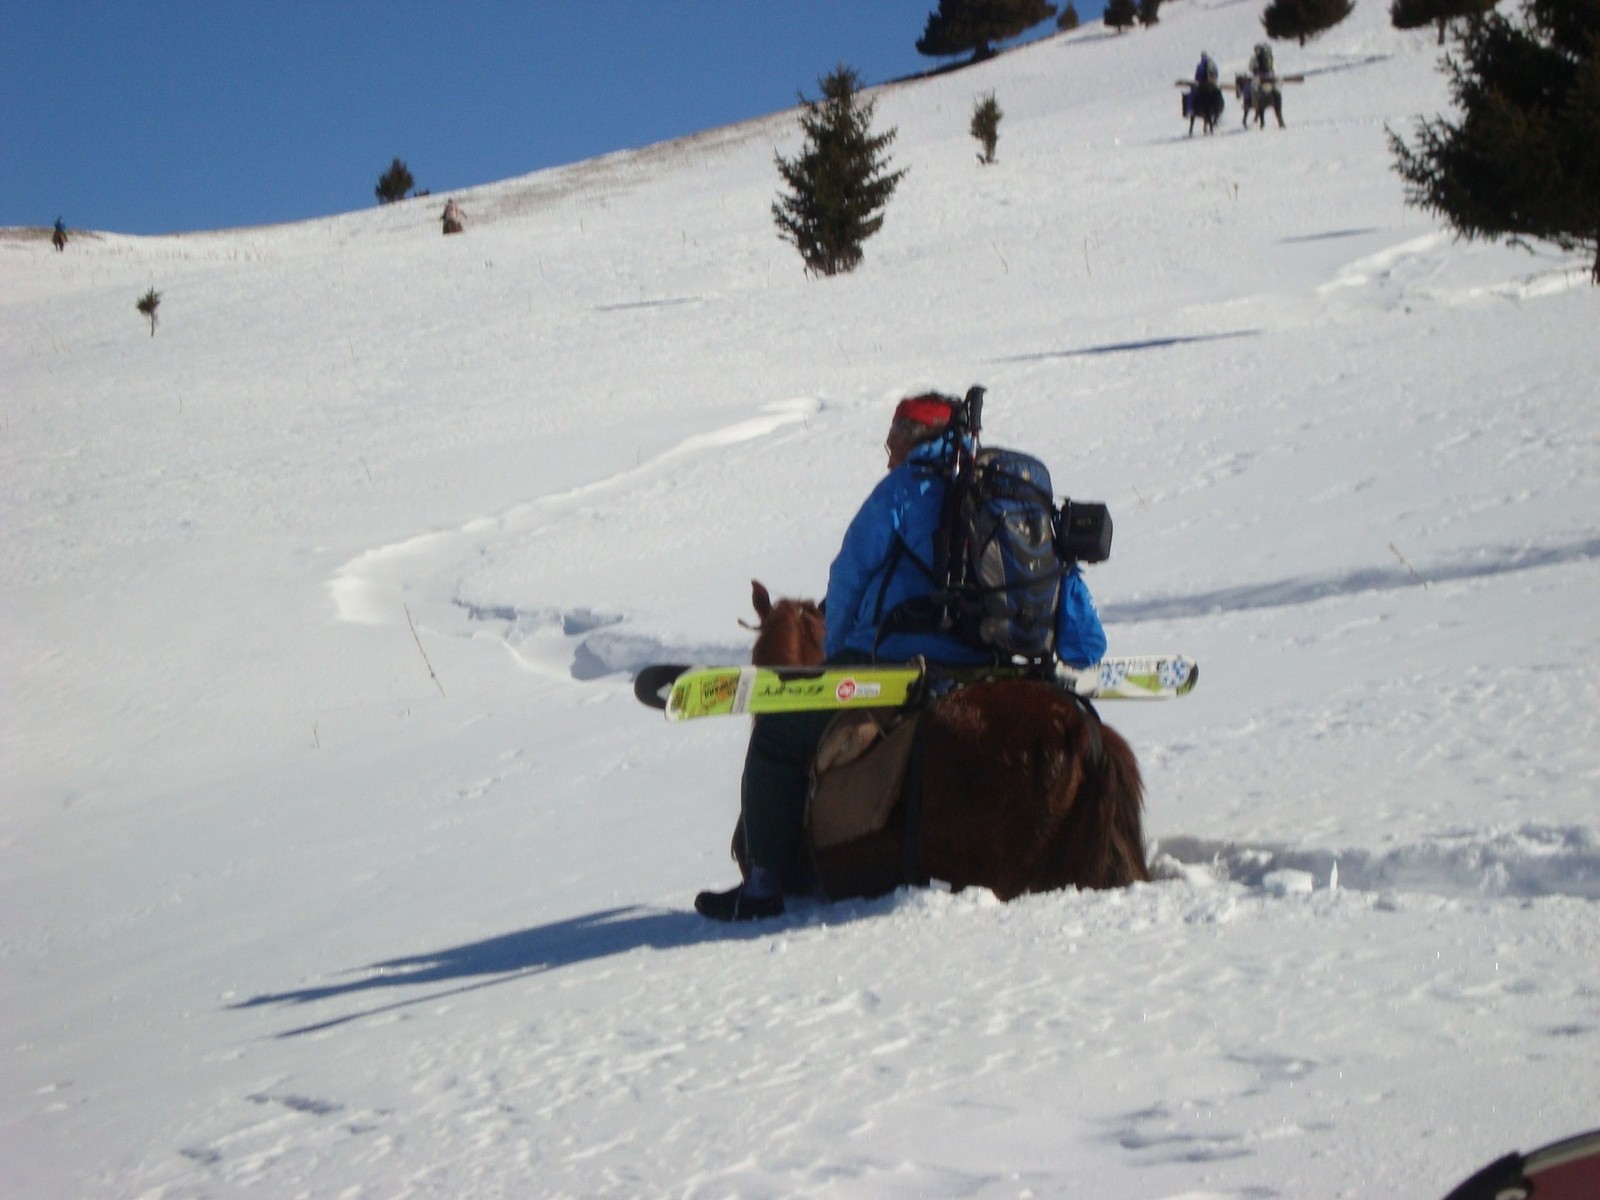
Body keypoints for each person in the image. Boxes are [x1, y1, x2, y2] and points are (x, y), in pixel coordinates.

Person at [694, 392, 1108, 922]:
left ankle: (763, 885)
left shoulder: (904, 489)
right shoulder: (1015, 500)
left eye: (892, 439)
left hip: (902, 671)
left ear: (915, 439)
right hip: (1003, 668)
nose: (888, 453)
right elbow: (1081, 633)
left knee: (777, 736)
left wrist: (839, 658)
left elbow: (848, 578)